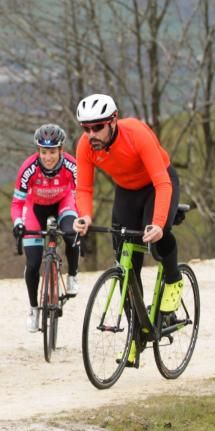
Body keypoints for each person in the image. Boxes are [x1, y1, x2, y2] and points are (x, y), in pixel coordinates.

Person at [72, 93, 184, 366]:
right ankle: (138, 334)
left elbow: (162, 184)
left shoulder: (137, 134)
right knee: (125, 266)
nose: (91, 134)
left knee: (157, 240)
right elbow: (84, 188)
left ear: (113, 122)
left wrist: (157, 224)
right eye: (85, 129)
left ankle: (173, 280)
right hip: (127, 191)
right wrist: (84, 216)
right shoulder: (86, 146)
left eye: (97, 127)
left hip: (158, 184)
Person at [11, 124, 80, 334]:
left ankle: (72, 276)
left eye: (52, 152)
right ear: (37, 151)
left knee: (71, 233)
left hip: (63, 202)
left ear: (61, 150)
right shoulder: (29, 168)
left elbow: (82, 194)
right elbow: (17, 203)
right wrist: (18, 223)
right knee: (32, 265)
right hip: (35, 207)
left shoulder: (71, 165)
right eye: (43, 152)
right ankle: (34, 309)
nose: (48, 157)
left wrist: (83, 218)